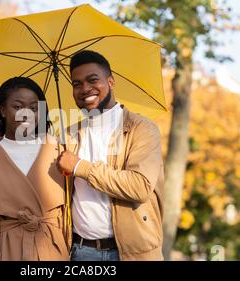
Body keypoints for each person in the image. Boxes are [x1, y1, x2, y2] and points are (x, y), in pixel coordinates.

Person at [56, 50, 165, 261]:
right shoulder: (68, 135)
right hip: (81, 252)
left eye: (92, 80)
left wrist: (80, 167)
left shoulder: (142, 129)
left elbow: (139, 186)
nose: (85, 88)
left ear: (111, 81)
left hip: (132, 254)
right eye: (76, 84)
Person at [0, 77, 69, 261]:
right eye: (18, 107)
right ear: (2, 110)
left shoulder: (60, 152)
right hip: (10, 252)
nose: (26, 114)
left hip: (54, 251)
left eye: (34, 108)